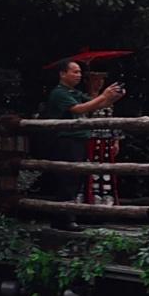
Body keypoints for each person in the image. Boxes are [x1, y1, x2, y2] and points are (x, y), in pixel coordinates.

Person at [38, 56, 127, 205]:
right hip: (66, 139)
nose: (78, 75)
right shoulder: (60, 93)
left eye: (79, 72)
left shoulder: (74, 93)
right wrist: (104, 96)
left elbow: (96, 105)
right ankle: (64, 216)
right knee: (68, 178)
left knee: (77, 178)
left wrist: (113, 98)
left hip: (79, 139)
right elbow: (79, 109)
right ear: (62, 74)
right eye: (75, 72)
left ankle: (70, 214)